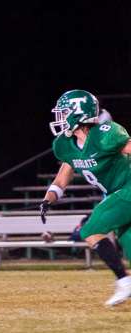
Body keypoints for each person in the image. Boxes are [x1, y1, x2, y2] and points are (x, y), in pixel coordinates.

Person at [41, 89, 131, 306]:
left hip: (127, 189)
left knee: (90, 230)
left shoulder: (105, 134)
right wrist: (49, 197)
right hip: (115, 195)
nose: (60, 118)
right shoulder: (65, 145)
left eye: (64, 113)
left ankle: (125, 281)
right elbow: (65, 173)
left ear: (77, 114)